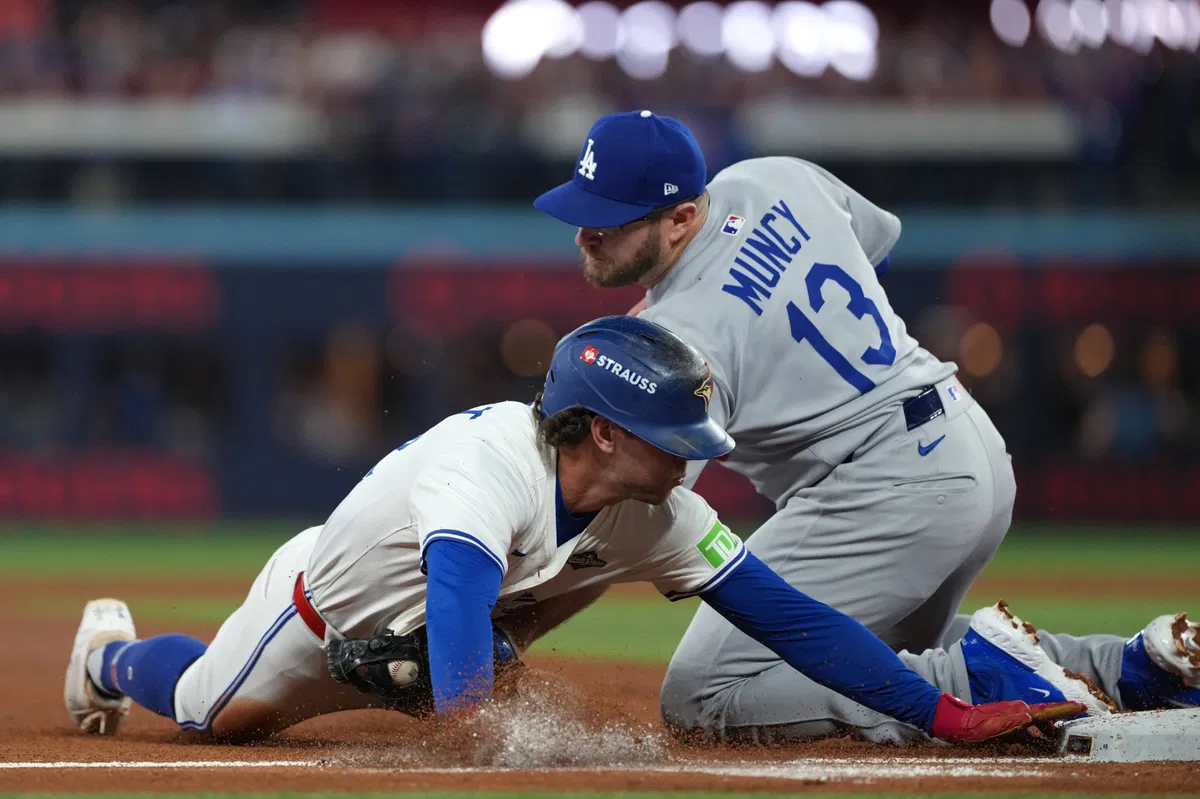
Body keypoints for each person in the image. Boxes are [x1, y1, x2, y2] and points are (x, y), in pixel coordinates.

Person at [66, 316, 1082, 744]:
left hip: (430, 638)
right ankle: (108, 655)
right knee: (207, 713)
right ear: (603, 429)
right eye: (674, 434)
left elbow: (794, 621)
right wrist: (482, 735)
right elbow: (457, 613)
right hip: (316, 616)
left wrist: (940, 712)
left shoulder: (657, 510)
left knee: (481, 661)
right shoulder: (489, 464)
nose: (693, 454)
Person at [532, 111, 1200, 744]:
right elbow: (873, 246)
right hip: (965, 437)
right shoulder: (773, 176)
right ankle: (1133, 667)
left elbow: (635, 502)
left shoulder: (680, 339)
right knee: (869, 661)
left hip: (881, 486)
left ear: (681, 218)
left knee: (704, 695)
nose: (584, 234)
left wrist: (521, 616)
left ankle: (980, 676)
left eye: (608, 221)